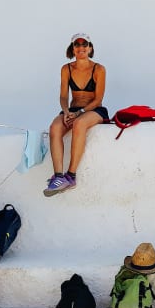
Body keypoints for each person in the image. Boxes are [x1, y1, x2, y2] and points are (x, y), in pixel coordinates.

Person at [43, 32, 108, 196]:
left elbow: (99, 98)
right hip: (72, 110)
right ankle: (59, 177)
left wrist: (81, 112)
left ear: (90, 48)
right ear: (72, 49)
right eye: (77, 44)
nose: (81, 47)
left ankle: (71, 176)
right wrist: (66, 111)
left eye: (84, 44)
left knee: (80, 124)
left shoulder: (99, 69)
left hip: (93, 110)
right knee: (55, 128)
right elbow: (64, 95)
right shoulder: (66, 69)